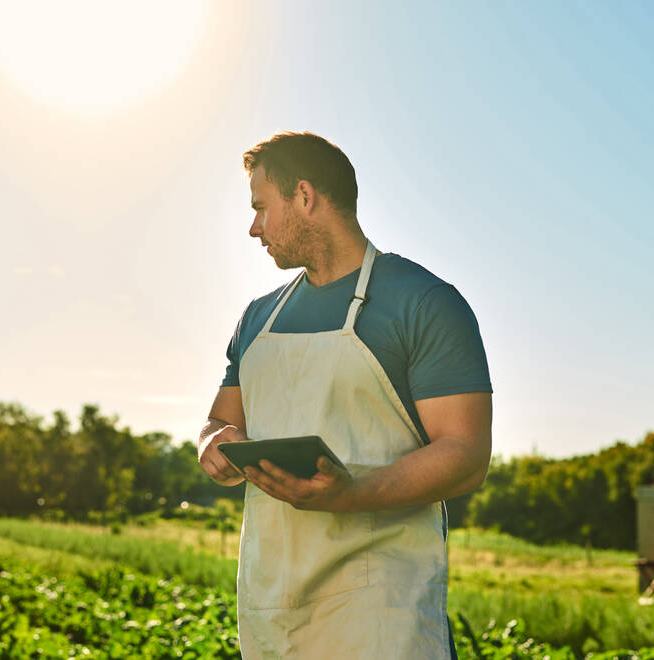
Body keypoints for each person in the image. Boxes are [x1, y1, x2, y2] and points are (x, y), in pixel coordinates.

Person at [197, 132, 493, 658]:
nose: (253, 228)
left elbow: (465, 456)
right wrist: (214, 443)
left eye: (262, 208)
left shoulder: (423, 303)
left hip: (382, 614)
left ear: (305, 197)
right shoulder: (258, 318)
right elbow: (220, 421)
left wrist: (346, 494)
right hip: (271, 609)